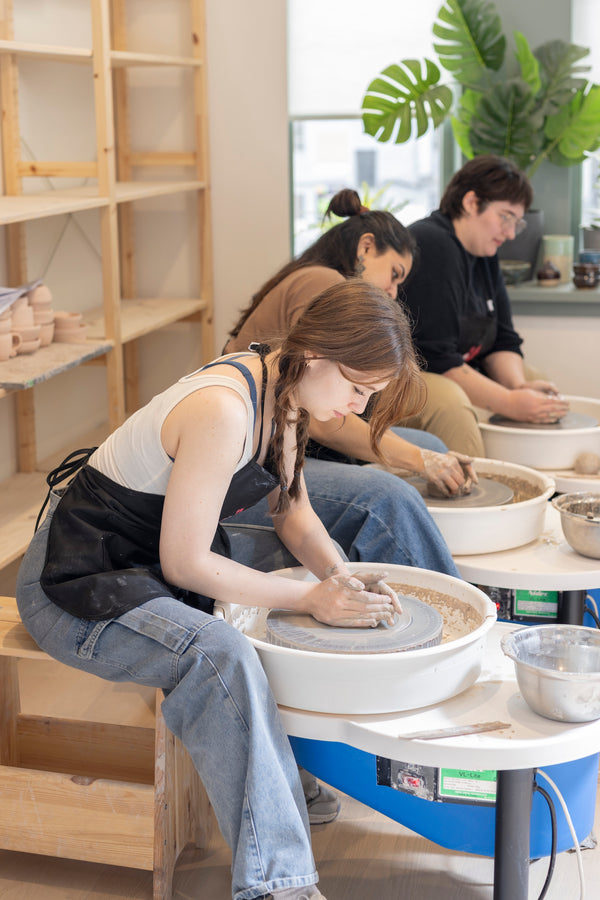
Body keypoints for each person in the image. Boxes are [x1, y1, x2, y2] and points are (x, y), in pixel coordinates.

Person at [17, 282, 428, 900]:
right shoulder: (224, 408)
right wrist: (309, 598)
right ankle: (278, 885)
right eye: (357, 388)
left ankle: (279, 774)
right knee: (219, 653)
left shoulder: (285, 392)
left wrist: (337, 578)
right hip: (75, 583)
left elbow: (293, 514)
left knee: (299, 588)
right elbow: (185, 563)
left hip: (141, 567)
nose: (357, 407)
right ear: (315, 353)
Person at [224, 189, 472, 579]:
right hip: (246, 459)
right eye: (394, 274)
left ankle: (436, 579)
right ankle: (446, 602)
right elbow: (324, 422)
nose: (394, 292)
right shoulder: (324, 284)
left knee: (431, 447)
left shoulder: (326, 283)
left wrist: (424, 456)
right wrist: (418, 460)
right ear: (366, 247)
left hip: (284, 436)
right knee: (389, 498)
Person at [399, 154, 570, 457]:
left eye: (517, 223)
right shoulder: (433, 243)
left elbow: (503, 338)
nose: (510, 233)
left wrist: (517, 387)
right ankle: (475, 483)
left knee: (534, 380)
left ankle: (530, 479)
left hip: (450, 367)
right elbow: (435, 359)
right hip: (402, 376)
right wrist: (509, 402)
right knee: (451, 402)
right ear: (471, 202)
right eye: (505, 217)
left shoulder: (484, 253)